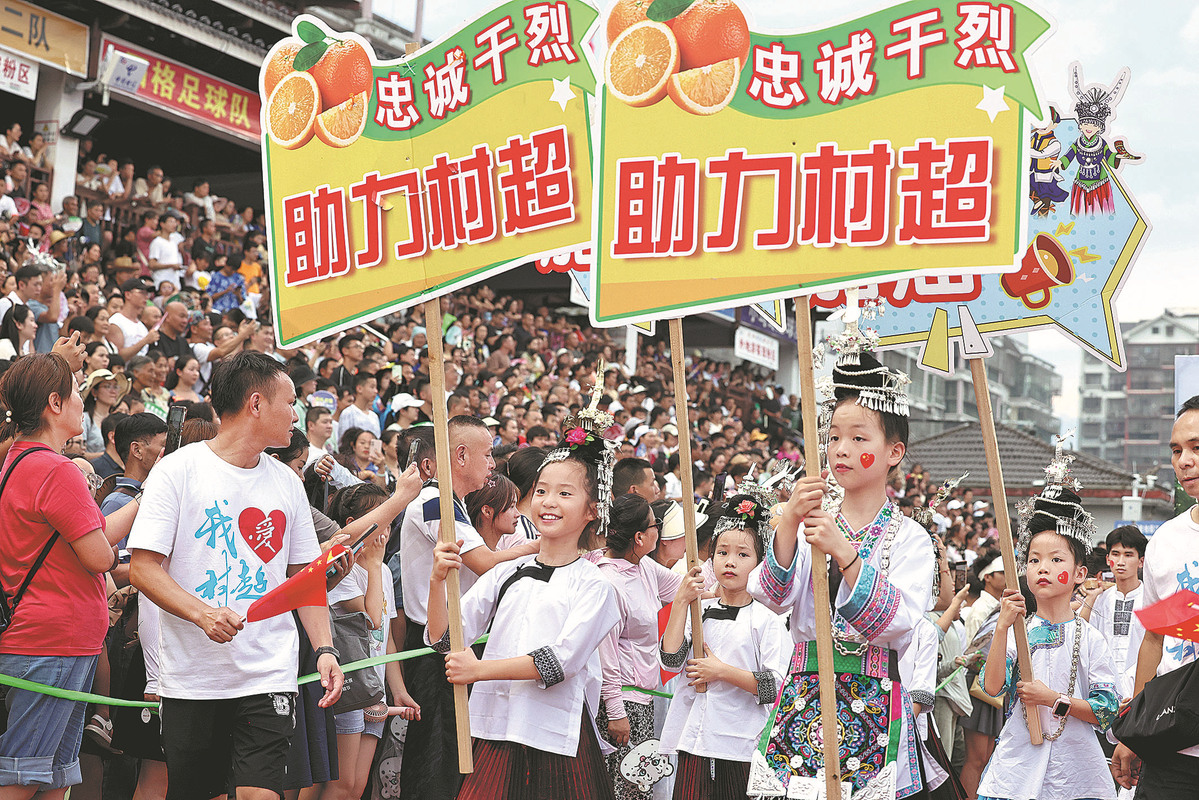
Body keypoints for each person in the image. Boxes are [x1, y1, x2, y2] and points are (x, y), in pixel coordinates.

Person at [127, 351, 345, 800]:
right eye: (290, 402)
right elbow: (143, 568)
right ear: (256, 404)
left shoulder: (286, 481)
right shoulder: (177, 470)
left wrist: (324, 647)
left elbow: (304, 578)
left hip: (269, 673)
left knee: (259, 794)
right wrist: (202, 614)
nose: (296, 414)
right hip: (193, 677)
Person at [749, 346, 936, 798]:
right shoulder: (810, 521)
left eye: (858, 438)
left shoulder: (911, 538)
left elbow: (897, 623)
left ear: (894, 452)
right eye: (833, 437)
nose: (841, 450)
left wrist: (845, 554)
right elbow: (772, 596)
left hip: (873, 699)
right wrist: (790, 523)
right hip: (802, 697)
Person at [425, 406, 621, 800]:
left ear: (592, 510)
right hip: (495, 727)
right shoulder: (507, 570)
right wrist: (437, 581)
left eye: (565, 494)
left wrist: (479, 671)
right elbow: (446, 638)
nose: (548, 501)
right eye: (543, 490)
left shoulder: (595, 585)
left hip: (554, 734)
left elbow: (557, 662)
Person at [0, 353, 138, 798]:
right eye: (77, 392)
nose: (82, 402)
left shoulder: (18, 461)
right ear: (54, 403)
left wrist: (144, 499)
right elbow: (99, 557)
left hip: (45, 636)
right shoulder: (57, 469)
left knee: (52, 776)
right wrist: (147, 498)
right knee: (24, 775)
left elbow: (91, 540)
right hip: (53, 640)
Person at [397, 415, 537, 800]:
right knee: (435, 756)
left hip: (457, 637)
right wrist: (545, 545)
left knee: (456, 752)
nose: (493, 464)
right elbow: (483, 562)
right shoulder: (432, 501)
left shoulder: (454, 503)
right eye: (488, 454)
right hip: (433, 643)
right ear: (460, 455)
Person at [975, 475, 1119, 800]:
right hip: (1017, 767)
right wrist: (1001, 627)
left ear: (1080, 574)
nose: (1043, 568)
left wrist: (1052, 699)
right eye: (1034, 560)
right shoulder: (1017, 632)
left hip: (1077, 772)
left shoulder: (1091, 638)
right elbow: (992, 686)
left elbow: (1107, 708)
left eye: (1056, 560)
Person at [659, 492, 790, 800]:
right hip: (694, 738)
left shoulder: (767, 620)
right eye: (722, 552)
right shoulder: (697, 612)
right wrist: (680, 602)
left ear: (759, 562)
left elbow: (777, 686)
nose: (730, 561)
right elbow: (670, 661)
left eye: (743, 555)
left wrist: (721, 671)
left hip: (742, 742)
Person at [1113, 396, 1199, 795]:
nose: (1184, 460)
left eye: (1197, 448)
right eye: (1177, 450)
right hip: (1172, 746)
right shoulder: (1167, 539)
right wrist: (1134, 731)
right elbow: (1154, 637)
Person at [322, 483, 420, 800]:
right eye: (380, 518)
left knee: (357, 786)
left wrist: (398, 691)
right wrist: (375, 565)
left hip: (372, 688)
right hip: (349, 687)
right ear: (353, 524)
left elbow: (386, 638)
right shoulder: (345, 571)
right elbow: (373, 618)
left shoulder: (380, 573)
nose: (387, 529)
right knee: (340, 783)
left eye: (391, 519)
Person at [593, 492, 682, 799]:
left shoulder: (642, 565)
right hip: (622, 706)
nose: (659, 529)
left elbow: (684, 591)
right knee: (626, 790)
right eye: (655, 524)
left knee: (641, 788)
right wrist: (616, 712)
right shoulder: (610, 583)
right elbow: (606, 656)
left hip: (643, 700)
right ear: (641, 537)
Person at [1079, 525, 1146, 698]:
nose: (1121, 561)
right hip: (1102, 689)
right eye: (1116, 554)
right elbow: (1080, 634)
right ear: (1108, 558)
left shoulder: (1150, 599)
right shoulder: (1101, 598)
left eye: (1128, 555)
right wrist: (1090, 599)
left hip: (1141, 690)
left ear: (1141, 561)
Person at [81, 369, 128, 459]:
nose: (113, 391)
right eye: (107, 386)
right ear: (94, 392)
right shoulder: (84, 419)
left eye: (115, 387)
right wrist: (108, 456)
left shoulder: (118, 419)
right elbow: (79, 453)